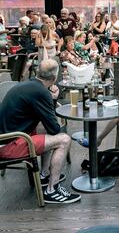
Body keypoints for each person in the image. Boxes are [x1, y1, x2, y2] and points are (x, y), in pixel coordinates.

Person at [0, 59, 81, 204]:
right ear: (54, 78)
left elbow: (47, 124)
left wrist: (50, 100)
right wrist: (53, 98)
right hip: (9, 145)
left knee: (44, 128)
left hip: (5, 138)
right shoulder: (41, 92)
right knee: (64, 139)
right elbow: (55, 128)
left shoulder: (27, 84)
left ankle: (44, 174)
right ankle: (52, 190)